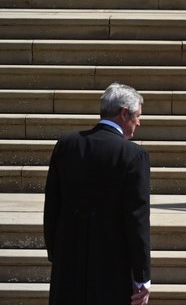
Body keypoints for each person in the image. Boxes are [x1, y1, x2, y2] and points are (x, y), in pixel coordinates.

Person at [43, 82, 151, 305]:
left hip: (68, 263)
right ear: (124, 113)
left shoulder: (66, 145)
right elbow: (136, 218)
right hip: (112, 268)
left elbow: (52, 205)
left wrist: (56, 252)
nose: (138, 122)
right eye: (137, 116)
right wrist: (142, 276)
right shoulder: (133, 155)